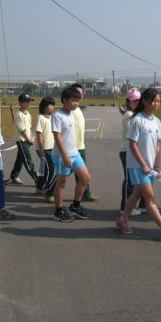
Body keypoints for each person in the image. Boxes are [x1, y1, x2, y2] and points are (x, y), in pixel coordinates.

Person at [116, 88, 161, 240]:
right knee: (150, 197)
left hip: (149, 167)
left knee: (136, 194)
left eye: (158, 101)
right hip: (137, 165)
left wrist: (157, 165)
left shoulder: (157, 121)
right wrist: (144, 165)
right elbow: (132, 145)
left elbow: (158, 145)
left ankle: (122, 220)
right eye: (153, 101)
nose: (156, 104)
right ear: (145, 101)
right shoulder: (137, 120)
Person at [50, 87, 91, 222]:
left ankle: (75, 206)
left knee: (85, 178)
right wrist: (65, 155)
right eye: (73, 100)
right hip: (62, 155)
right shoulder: (57, 116)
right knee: (61, 183)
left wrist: (73, 153)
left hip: (75, 154)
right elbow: (57, 137)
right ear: (64, 100)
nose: (76, 103)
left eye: (78, 101)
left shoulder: (71, 115)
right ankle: (58, 211)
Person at [119, 88, 146, 215]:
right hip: (127, 151)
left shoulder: (136, 115)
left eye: (138, 100)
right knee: (129, 179)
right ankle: (125, 206)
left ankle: (142, 204)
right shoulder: (129, 115)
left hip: (135, 152)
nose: (135, 103)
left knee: (138, 180)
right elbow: (136, 134)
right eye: (133, 100)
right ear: (128, 102)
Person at [70, 83, 99, 202]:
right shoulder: (70, 111)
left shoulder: (78, 110)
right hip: (71, 149)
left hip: (80, 147)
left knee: (83, 174)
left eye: (81, 94)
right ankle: (48, 189)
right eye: (77, 94)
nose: (79, 96)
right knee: (62, 175)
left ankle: (86, 193)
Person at [7, 93, 37, 186]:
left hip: (26, 139)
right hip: (22, 140)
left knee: (20, 159)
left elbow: (29, 127)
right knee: (28, 161)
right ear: (20, 103)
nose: (28, 103)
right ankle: (37, 179)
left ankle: (14, 176)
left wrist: (31, 137)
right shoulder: (19, 114)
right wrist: (28, 139)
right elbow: (22, 130)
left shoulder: (28, 114)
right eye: (26, 101)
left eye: (29, 101)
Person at [34, 96, 56, 202]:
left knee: (43, 169)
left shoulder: (51, 118)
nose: (52, 107)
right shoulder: (41, 118)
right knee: (50, 168)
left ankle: (39, 188)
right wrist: (41, 147)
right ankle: (46, 188)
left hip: (51, 147)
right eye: (50, 105)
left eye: (53, 105)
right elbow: (39, 133)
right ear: (44, 106)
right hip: (43, 148)